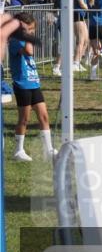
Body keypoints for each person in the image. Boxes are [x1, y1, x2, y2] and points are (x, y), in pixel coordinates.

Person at [7, 13, 53, 162]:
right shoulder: (15, 41)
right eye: (28, 29)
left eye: (32, 29)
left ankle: (48, 150)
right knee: (24, 119)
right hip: (22, 84)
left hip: (34, 83)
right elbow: (29, 52)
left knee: (44, 116)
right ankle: (18, 150)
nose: (31, 32)